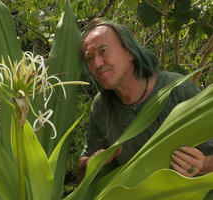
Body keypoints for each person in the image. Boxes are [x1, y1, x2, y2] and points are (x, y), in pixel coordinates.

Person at [78, 18, 213, 181]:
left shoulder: (178, 91)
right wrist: (92, 164)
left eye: (103, 51)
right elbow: (84, 164)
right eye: (90, 58)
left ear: (129, 52)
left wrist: (203, 164)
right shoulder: (102, 106)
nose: (97, 63)